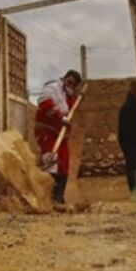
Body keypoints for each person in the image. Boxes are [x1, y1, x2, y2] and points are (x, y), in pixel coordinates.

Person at [34, 69, 82, 204]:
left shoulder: (70, 96)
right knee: (51, 161)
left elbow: (69, 113)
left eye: (73, 85)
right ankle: (48, 197)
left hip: (60, 134)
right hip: (46, 131)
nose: (70, 85)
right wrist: (60, 118)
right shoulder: (52, 88)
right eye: (69, 82)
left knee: (64, 163)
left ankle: (59, 197)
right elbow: (45, 105)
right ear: (65, 78)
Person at [118, 80, 136, 193]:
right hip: (130, 141)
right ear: (134, 91)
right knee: (134, 165)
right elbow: (129, 130)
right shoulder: (128, 108)